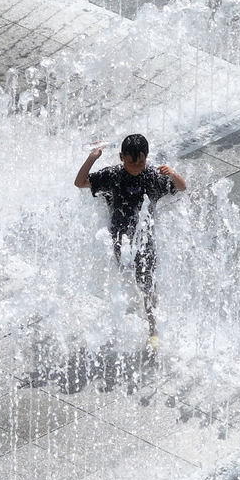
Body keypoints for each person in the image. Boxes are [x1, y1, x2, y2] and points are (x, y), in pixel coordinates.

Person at [74, 134, 186, 341]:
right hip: (120, 240)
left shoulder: (151, 177)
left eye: (141, 162)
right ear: (121, 157)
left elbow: (181, 187)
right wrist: (93, 157)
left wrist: (172, 174)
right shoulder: (113, 175)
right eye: (131, 162)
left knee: (148, 283)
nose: (136, 166)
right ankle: (135, 299)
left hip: (145, 240)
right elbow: (80, 182)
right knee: (128, 273)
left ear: (146, 159)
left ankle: (153, 329)